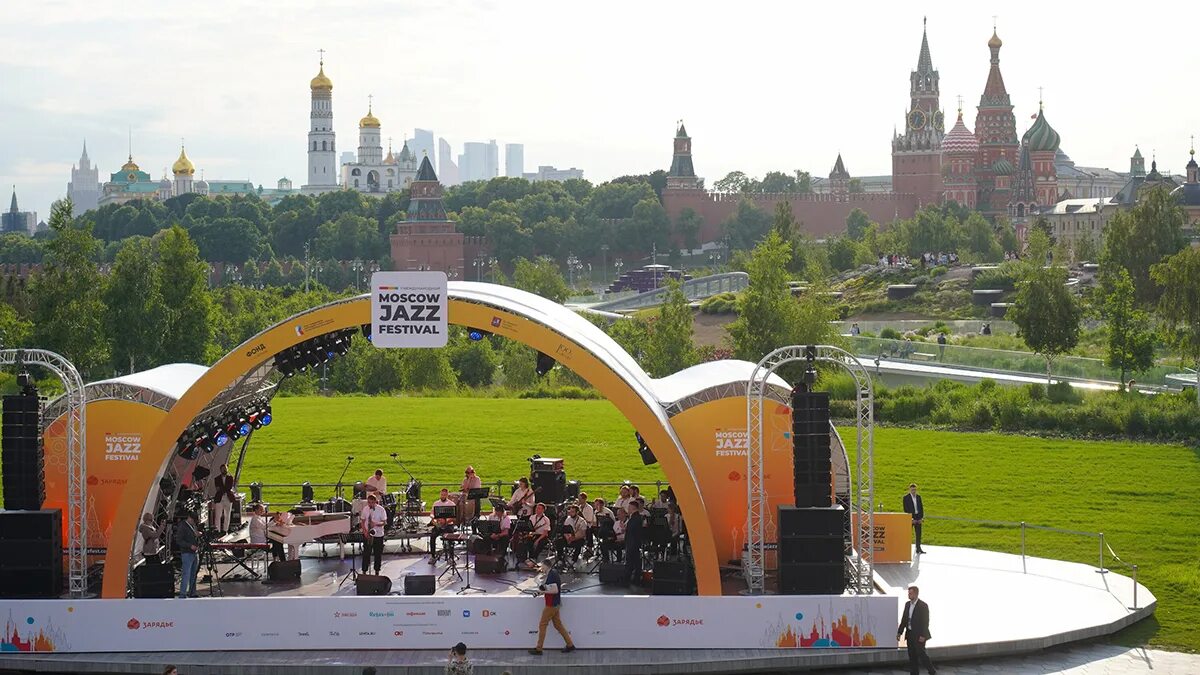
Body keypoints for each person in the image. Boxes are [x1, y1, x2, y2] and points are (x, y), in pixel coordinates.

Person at [528, 558, 576, 655]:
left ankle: (539, 648)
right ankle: (570, 645)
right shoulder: (552, 574)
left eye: (542, 566)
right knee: (558, 625)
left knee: (542, 625)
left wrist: (543, 591)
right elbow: (551, 588)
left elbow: (555, 590)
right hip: (555, 604)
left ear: (546, 565)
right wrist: (540, 592)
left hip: (551, 604)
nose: (541, 568)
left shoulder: (551, 575)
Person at [897, 585, 936, 674]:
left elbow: (926, 622)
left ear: (915, 594)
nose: (909, 595)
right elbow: (904, 619)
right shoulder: (907, 605)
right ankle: (914, 673)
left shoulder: (923, 606)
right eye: (908, 593)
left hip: (919, 635)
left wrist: (923, 635)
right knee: (912, 656)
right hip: (910, 634)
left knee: (922, 655)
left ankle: (932, 671)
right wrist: (900, 632)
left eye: (910, 593)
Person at [360, 493, 387, 574]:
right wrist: (364, 531)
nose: (370, 504)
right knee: (366, 553)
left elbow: (384, 522)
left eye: (372, 502)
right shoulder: (365, 509)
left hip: (378, 534)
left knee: (377, 553)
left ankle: (377, 570)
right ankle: (364, 570)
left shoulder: (381, 509)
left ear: (376, 501)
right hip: (368, 534)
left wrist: (375, 524)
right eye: (369, 502)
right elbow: (363, 520)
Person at [429, 488, 457, 563]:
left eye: (444, 495)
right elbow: (432, 513)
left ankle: (451, 557)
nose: (443, 496)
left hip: (448, 525)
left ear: (447, 495)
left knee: (451, 538)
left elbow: (454, 518)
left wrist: (446, 521)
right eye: (442, 494)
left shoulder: (451, 504)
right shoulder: (436, 503)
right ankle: (432, 556)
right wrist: (433, 518)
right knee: (432, 536)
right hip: (438, 524)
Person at [175, 512, 200, 598]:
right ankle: (183, 593)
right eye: (193, 520)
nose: (193, 522)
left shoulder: (192, 526)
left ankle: (192, 592)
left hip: (194, 553)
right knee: (186, 573)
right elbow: (179, 540)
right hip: (187, 553)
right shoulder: (182, 526)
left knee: (193, 574)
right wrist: (190, 545)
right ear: (189, 518)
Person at [211, 464, 236, 533]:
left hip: (228, 498)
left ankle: (225, 529)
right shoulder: (217, 478)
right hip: (220, 498)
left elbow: (229, 487)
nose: (224, 470)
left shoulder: (230, 478)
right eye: (223, 469)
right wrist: (224, 489)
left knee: (227, 515)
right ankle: (217, 530)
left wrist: (223, 488)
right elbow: (218, 489)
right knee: (217, 515)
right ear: (220, 470)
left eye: (225, 469)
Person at [903, 483, 926, 555]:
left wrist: (921, 518)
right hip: (911, 518)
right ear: (910, 489)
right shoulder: (906, 498)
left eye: (915, 490)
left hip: (918, 517)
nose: (914, 491)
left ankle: (918, 549)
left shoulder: (918, 497)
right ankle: (906, 550)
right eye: (912, 490)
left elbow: (921, 508)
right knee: (908, 534)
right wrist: (911, 518)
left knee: (918, 534)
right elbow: (906, 509)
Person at [624, 502, 644, 584]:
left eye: (629, 507)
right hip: (632, 542)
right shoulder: (634, 517)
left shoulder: (636, 518)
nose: (627, 509)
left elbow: (632, 530)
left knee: (631, 561)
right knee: (635, 561)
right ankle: (635, 578)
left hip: (633, 542)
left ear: (633, 508)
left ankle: (629, 578)